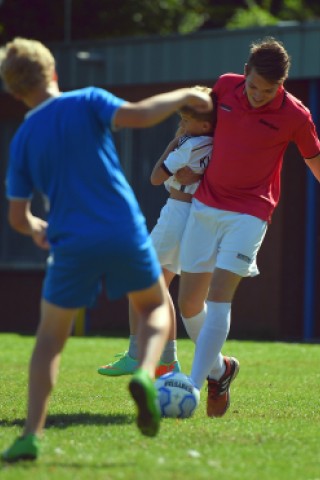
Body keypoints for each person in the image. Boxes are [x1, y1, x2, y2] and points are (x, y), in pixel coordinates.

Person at [0, 37, 213, 462]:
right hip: (122, 230)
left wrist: (39, 229)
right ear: (54, 72)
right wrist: (185, 96)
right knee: (154, 306)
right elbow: (138, 115)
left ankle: (29, 435)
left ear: (13, 90)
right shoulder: (87, 99)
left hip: (69, 241)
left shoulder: (22, 138)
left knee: (48, 341)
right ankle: (147, 376)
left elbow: (18, 218)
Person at [175, 36, 320, 419]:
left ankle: (191, 385)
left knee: (219, 298)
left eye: (267, 90)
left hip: (251, 212)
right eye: (253, 86)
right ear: (244, 74)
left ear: (282, 85)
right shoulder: (223, 86)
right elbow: (195, 126)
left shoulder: (296, 115)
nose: (257, 95)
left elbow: (314, 161)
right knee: (188, 303)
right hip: (205, 205)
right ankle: (221, 370)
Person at [97, 86, 215, 378]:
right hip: (194, 216)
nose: (183, 126)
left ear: (203, 124)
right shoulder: (216, 143)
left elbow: (154, 177)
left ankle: (138, 355)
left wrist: (174, 143)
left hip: (176, 213)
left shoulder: (188, 144)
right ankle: (165, 360)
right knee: (158, 288)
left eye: (186, 121)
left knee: (140, 281)